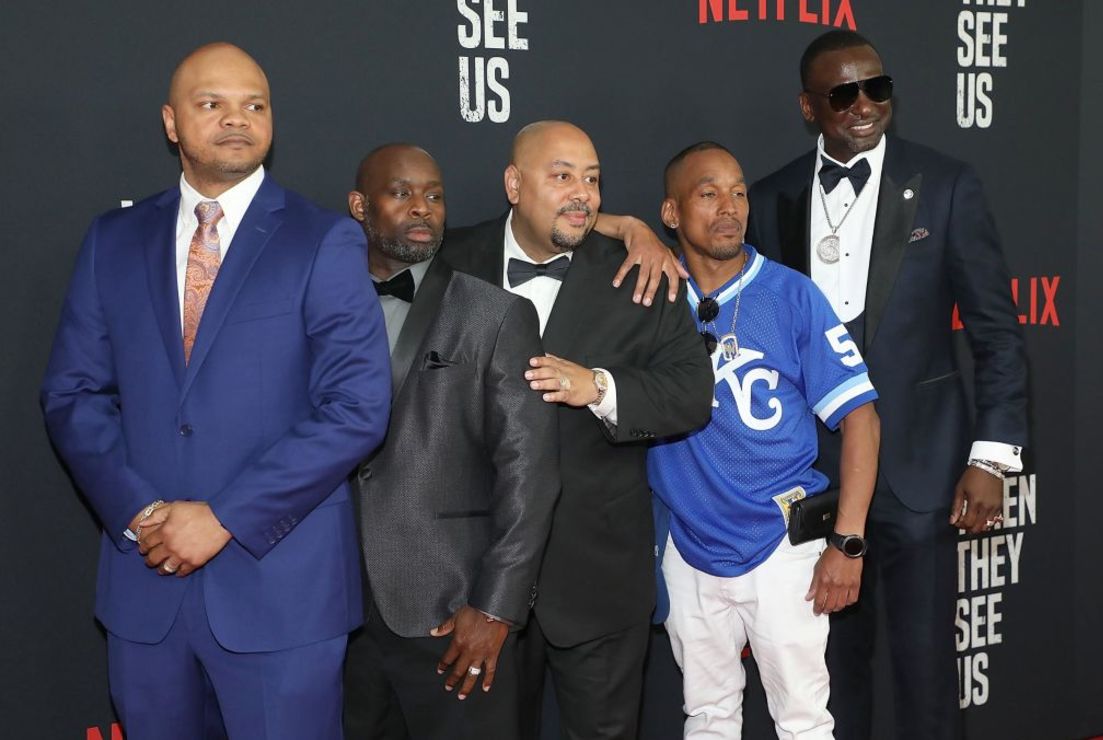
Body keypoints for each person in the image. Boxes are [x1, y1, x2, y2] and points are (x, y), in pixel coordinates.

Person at [40, 43, 391, 740]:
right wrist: (140, 513)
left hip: (281, 596)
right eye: (213, 104)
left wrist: (224, 516)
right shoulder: (114, 239)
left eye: (254, 105)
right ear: (172, 122)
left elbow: (357, 408)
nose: (237, 119)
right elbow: (72, 394)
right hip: (146, 592)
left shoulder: (322, 241)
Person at [745, 30, 1028, 740]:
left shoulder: (947, 183)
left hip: (920, 472)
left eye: (877, 87)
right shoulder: (772, 197)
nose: (864, 104)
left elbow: (996, 333)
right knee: (829, 677)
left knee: (926, 672)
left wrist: (991, 459)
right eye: (843, 94)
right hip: (811, 474)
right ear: (810, 108)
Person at [441, 120, 714, 740]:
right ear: (514, 184)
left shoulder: (641, 274)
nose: (582, 193)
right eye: (561, 176)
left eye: (592, 179)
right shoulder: (451, 264)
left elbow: (693, 395)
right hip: (470, 580)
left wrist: (600, 387)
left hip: (597, 578)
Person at [647, 141, 880, 739]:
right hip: (686, 543)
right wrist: (629, 230)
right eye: (708, 193)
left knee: (803, 722)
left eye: (739, 191)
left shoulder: (790, 294)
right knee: (708, 717)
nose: (730, 207)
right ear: (670, 213)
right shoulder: (648, 294)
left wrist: (848, 543)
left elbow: (861, 418)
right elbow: (569, 223)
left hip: (782, 543)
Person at [341, 144, 560, 739]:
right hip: (335, 612)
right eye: (402, 193)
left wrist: (494, 607)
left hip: (452, 613)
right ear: (360, 205)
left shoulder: (495, 315)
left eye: (434, 196)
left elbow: (529, 470)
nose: (423, 208)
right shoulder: (319, 306)